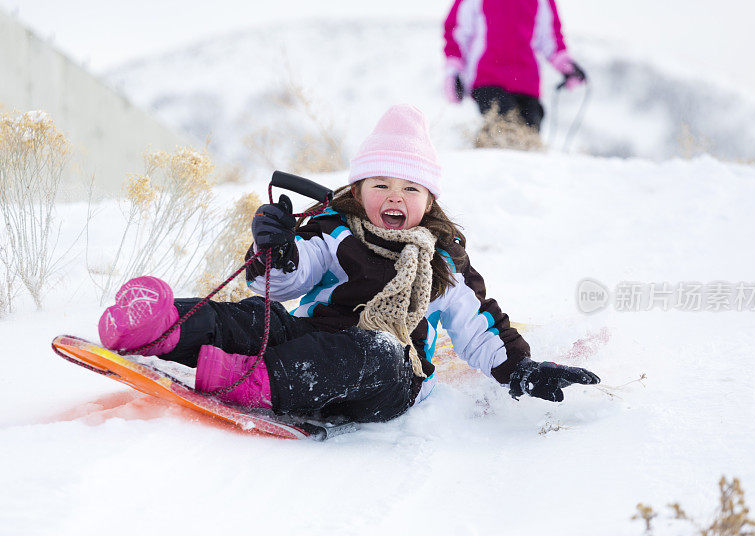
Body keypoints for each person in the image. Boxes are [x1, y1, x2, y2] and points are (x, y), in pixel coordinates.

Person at [97, 104, 599, 424]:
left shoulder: (442, 262)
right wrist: (277, 247)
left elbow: (480, 327)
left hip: (389, 380)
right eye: (380, 184)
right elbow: (280, 285)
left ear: (430, 200)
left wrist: (521, 369)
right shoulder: (337, 230)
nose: (394, 197)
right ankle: (162, 327)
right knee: (256, 319)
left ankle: (250, 380)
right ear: (357, 190)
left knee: (373, 351)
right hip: (314, 339)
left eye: (410, 188)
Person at [443, 0, 586, 131]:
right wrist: (453, 71)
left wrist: (566, 66)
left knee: (529, 134)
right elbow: (458, 33)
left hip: (527, 84)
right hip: (488, 79)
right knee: (503, 126)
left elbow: (550, 38)